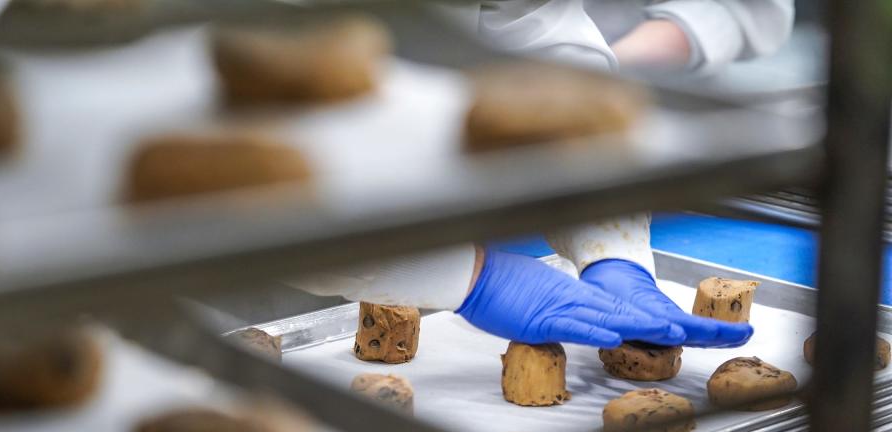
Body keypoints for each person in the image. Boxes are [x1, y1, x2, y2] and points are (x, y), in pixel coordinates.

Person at [294, 0, 795, 349]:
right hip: (268, 264)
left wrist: (608, 242)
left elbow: (541, 39)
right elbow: (250, 151)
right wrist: (463, 277)